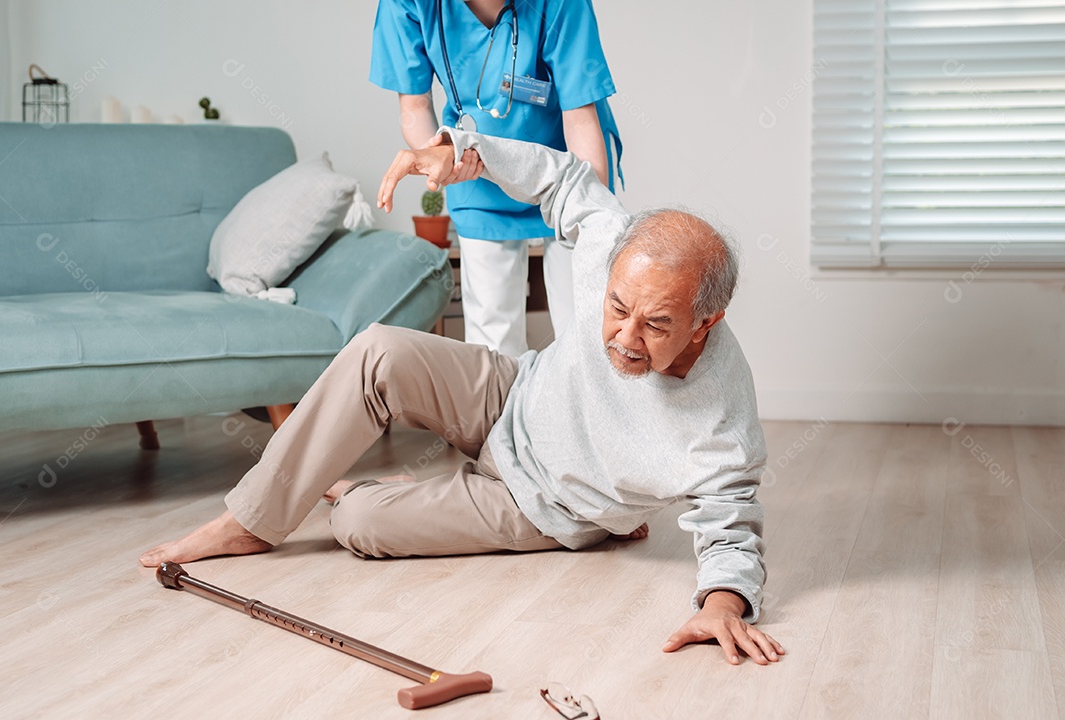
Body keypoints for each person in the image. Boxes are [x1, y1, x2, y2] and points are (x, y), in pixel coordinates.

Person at [140, 130, 783, 665]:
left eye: (657, 325)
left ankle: (360, 491)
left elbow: (731, 531)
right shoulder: (609, 242)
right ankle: (252, 522)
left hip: (547, 506)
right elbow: (560, 177)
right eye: (617, 309)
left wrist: (722, 607)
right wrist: (464, 147)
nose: (625, 337)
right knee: (379, 350)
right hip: (513, 395)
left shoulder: (722, 421)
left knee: (358, 524)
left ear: (707, 321)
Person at [370, 0, 623, 356]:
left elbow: (580, 118)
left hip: (565, 169)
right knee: (494, 345)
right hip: (475, 167)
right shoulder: (408, 3)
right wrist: (439, 154)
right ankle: (508, 414)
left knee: (587, 330)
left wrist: (592, 215)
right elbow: (414, 107)